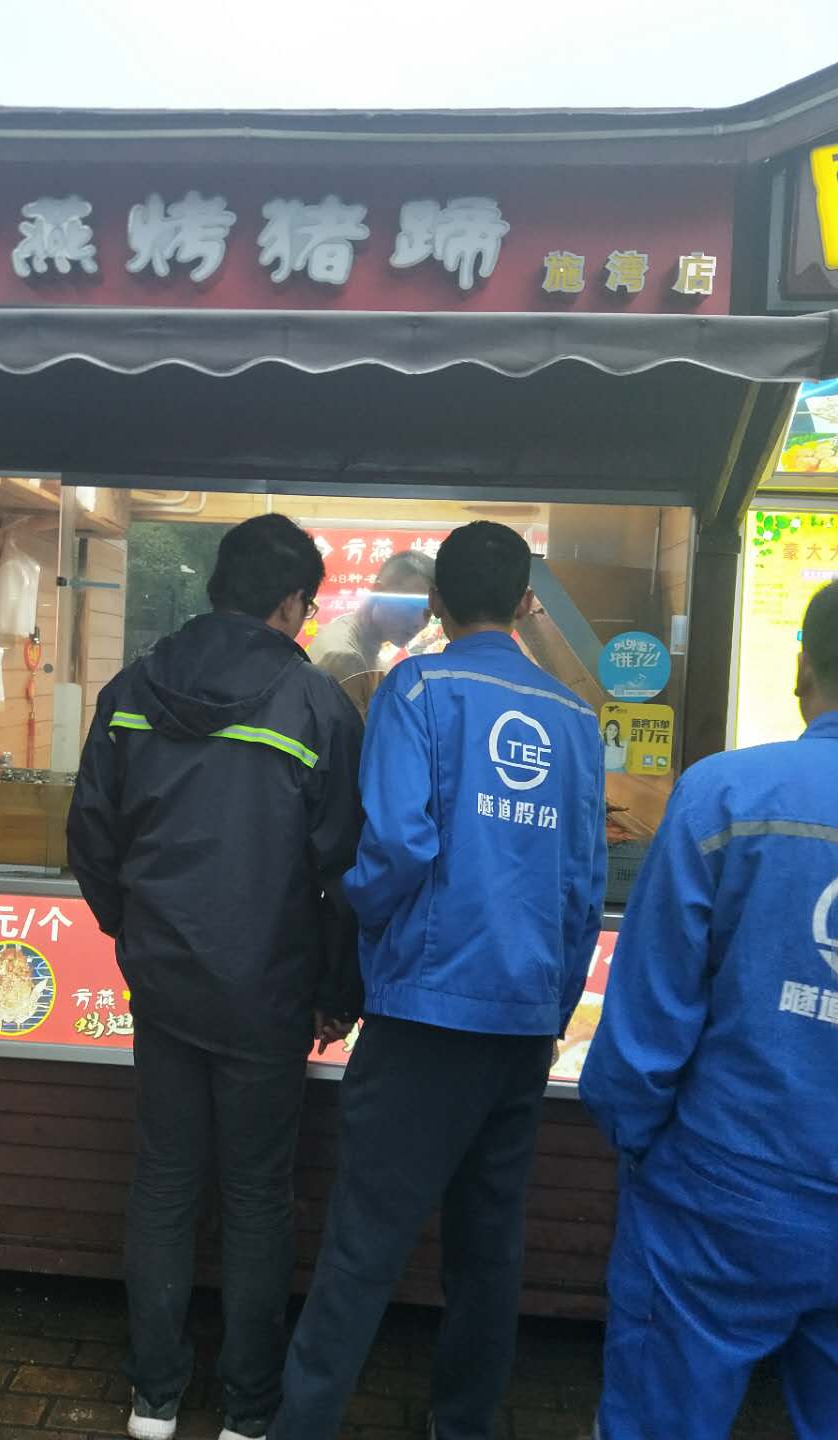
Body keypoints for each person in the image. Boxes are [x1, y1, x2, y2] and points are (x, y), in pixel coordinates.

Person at [270, 521, 607, 1440]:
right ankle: (463, 1425)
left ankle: (303, 1425)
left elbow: (397, 847)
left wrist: (363, 924)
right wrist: (554, 1003)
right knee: (489, 1251)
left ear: (434, 603)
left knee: (363, 1245)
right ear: (527, 603)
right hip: (524, 1020)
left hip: (424, 1016)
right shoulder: (575, 720)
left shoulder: (416, 688)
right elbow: (584, 885)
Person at [67, 514, 365, 1440]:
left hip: (164, 985)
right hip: (267, 992)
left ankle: (153, 1399)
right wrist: (336, 990)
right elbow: (344, 870)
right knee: (255, 1195)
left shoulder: (131, 688)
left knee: (164, 1183)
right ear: (292, 603)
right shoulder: (317, 706)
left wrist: (137, 933)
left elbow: (91, 840)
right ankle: (247, 1409)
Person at [580, 578, 838, 1440]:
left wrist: (637, 1135)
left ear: (803, 668)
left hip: (724, 1184)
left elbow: (648, 1017)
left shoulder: (727, 795)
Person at [308, 549, 435, 719]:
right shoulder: (346, 657)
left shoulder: (363, 646)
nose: (418, 622)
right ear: (379, 592)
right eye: (411, 606)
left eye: (428, 613)